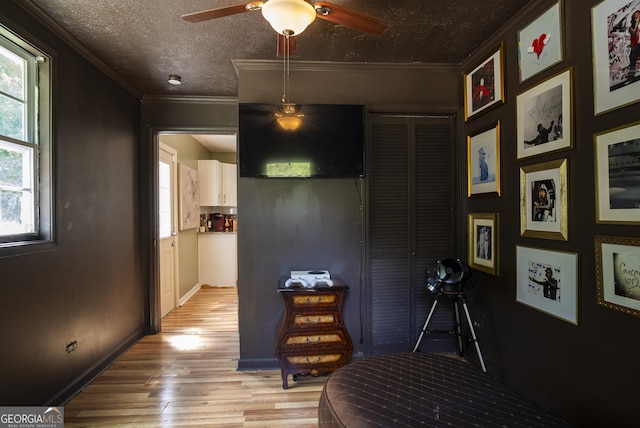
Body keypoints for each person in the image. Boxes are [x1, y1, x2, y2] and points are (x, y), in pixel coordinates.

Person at [627, 10, 640, 84]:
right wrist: (636, 24)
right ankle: (631, 77)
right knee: (632, 57)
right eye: (635, 15)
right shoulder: (631, 27)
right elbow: (633, 33)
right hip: (637, 45)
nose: (637, 16)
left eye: (638, 14)